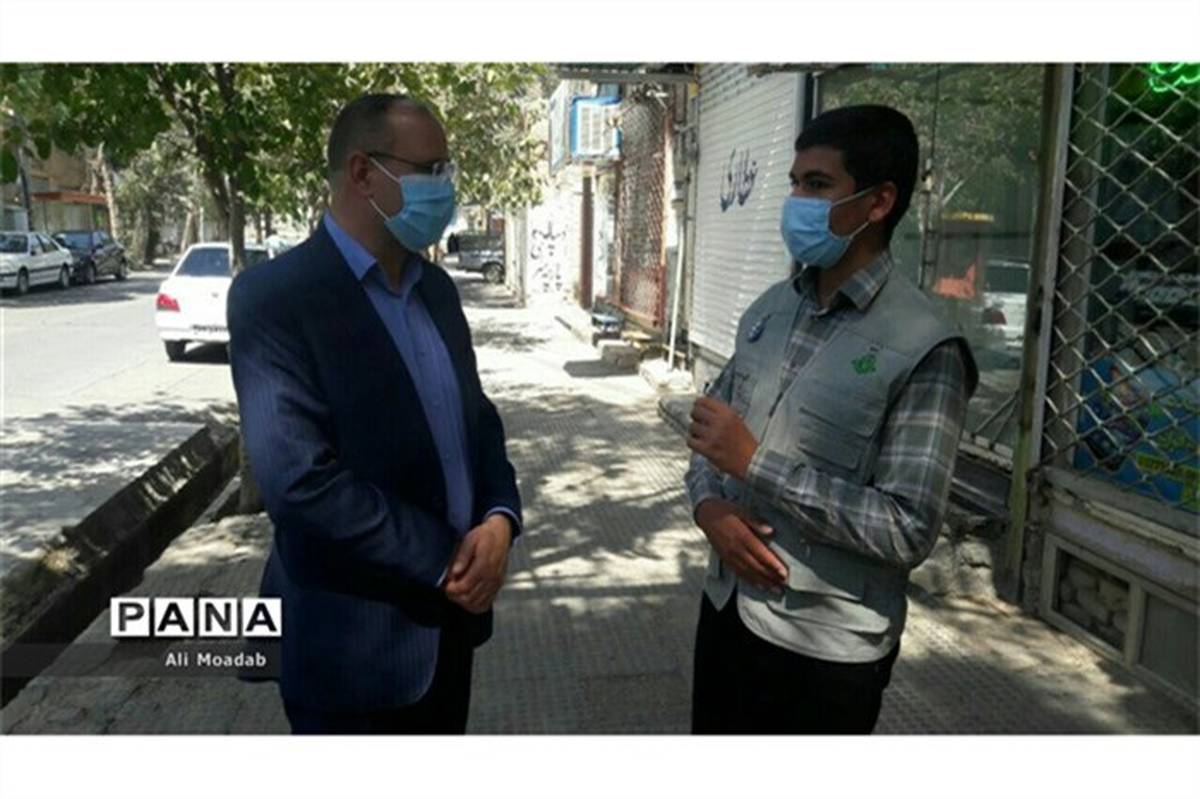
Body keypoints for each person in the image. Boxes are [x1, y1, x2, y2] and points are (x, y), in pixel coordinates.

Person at [227, 94, 522, 734]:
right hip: (351, 655)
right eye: (432, 170)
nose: (447, 189)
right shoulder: (274, 298)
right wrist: (447, 558)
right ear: (364, 172)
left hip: (450, 633)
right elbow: (298, 483)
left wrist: (500, 519)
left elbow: (477, 421)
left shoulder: (436, 289)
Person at [685, 104, 978, 734]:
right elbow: (710, 438)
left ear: (879, 203)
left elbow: (907, 527)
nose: (796, 201)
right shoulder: (769, 310)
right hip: (727, 610)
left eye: (817, 185)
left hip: (825, 653)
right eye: (794, 183)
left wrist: (756, 465)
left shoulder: (926, 347)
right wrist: (709, 510)